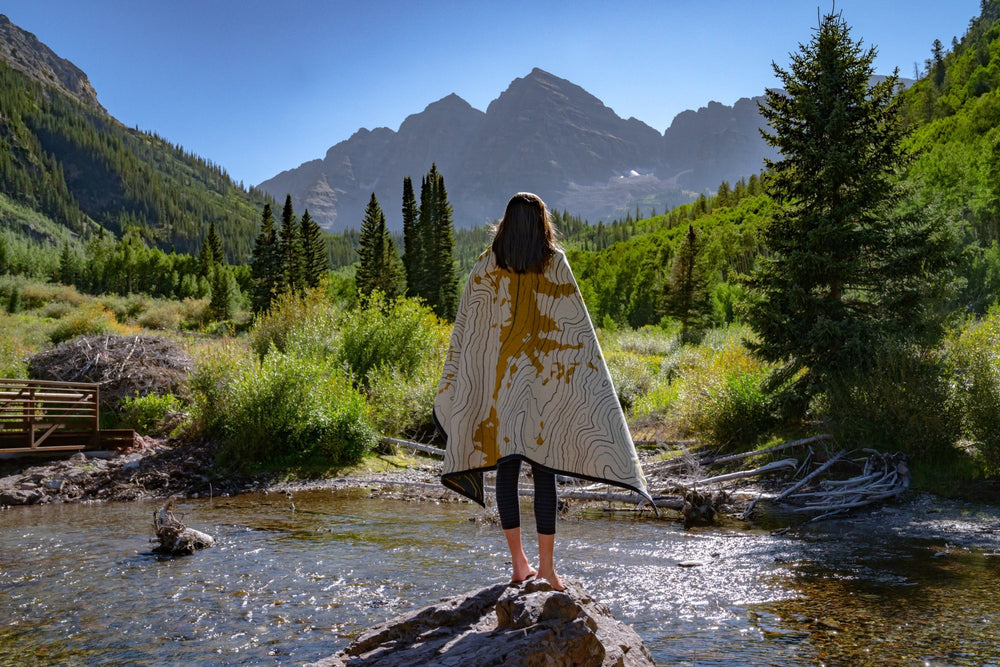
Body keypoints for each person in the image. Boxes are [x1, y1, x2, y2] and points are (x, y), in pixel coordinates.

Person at [434, 192, 650, 591]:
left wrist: (471, 387)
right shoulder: (554, 263)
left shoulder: (485, 267)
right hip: (544, 391)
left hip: (498, 395)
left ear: (505, 224)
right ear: (541, 223)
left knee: (507, 471)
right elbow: (577, 332)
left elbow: (468, 337)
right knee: (545, 473)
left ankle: (519, 565)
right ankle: (547, 569)